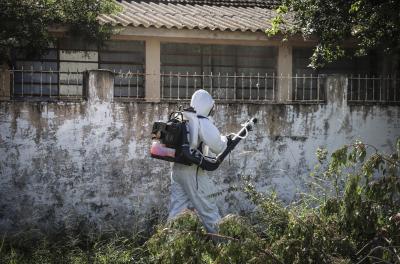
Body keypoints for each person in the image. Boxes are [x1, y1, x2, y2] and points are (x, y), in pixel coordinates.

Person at [167, 89, 228, 233]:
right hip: (192, 171)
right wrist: (225, 139)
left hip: (177, 170)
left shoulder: (184, 117)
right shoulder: (201, 120)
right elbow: (218, 147)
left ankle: (168, 244)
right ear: (208, 105)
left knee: (177, 211)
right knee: (208, 210)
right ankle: (224, 246)